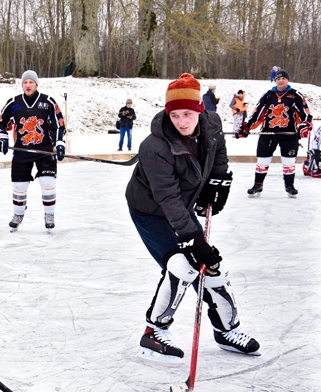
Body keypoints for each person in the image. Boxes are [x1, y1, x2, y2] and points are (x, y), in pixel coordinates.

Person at [126, 73, 260, 364]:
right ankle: (154, 332)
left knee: (210, 266)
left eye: (187, 114)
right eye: (174, 115)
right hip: (150, 210)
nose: (181, 121)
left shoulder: (212, 124)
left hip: (181, 205)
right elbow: (167, 198)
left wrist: (218, 181)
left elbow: (218, 151)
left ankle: (226, 330)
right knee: (182, 264)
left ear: (199, 110)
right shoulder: (154, 147)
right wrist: (194, 239)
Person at [0, 69, 66, 231]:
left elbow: (59, 124)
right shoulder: (14, 103)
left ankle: (49, 215)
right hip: (21, 150)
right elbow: (0, 121)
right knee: (19, 186)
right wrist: (2, 136)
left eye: (31, 82)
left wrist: (59, 142)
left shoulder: (48, 102)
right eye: (25, 82)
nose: (28, 85)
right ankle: (18, 214)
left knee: (48, 182)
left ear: (36, 84)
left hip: (44, 150)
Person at [237, 69, 312, 198]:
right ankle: (257, 184)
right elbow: (257, 113)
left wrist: (305, 125)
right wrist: (247, 128)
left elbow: (305, 113)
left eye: (283, 78)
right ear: (275, 80)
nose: (281, 81)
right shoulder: (268, 95)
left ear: (287, 80)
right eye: (278, 79)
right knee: (262, 160)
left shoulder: (295, 95)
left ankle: (290, 185)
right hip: (268, 133)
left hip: (289, 134)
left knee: (288, 161)